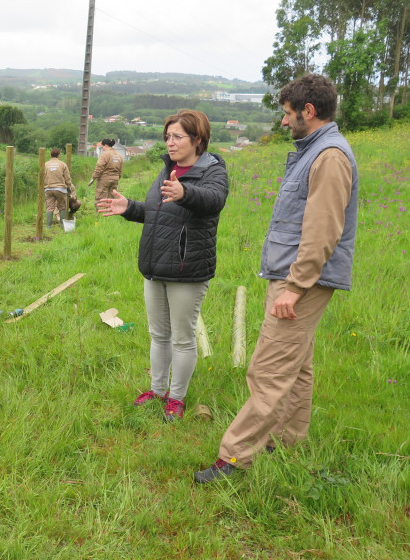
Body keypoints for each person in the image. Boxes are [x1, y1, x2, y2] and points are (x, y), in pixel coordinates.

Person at [195, 74, 358, 483]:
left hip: (300, 281)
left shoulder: (329, 157)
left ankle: (235, 458)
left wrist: (296, 287)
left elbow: (323, 231)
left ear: (309, 111)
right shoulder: (315, 151)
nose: (284, 122)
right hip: (295, 276)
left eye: (287, 114)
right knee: (297, 364)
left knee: (267, 370)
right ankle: (285, 441)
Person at [98, 110, 228, 421]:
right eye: (167, 137)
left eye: (177, 137)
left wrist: (185, 193)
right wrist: (130, 208)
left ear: (197, 139)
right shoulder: (167, 170)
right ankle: (157, 391)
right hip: (155, 267)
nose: (170, 143)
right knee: (158, 334)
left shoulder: (212, 171)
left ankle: (177, 398)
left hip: (187, 269)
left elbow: (212, 201)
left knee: (182, 338)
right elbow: (158, 213)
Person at [44, 148, 76, 228]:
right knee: (62, 206)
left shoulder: (45, 164)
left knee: (49, 207)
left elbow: (42, 176)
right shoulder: (62, 164)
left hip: (48, 189)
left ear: (50, 155)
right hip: (60, 189)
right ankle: (62, 224)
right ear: (59, 155)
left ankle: (48, 226)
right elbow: (67, 178)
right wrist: (69, 186)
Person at [89, 138, 124, 209]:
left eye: (102, 146)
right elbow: (120, 169)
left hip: (104, 179)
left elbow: (99, 168)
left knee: (101, 197)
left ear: (106, 145)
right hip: (115, 179)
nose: (103, 148)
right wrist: (117, 177)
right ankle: (110, 212)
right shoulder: (119, 155)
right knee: (112, 197)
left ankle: (101, 214)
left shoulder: (105, 155)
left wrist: (93, 178)